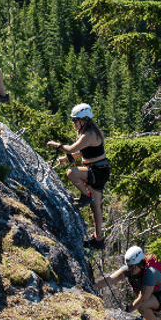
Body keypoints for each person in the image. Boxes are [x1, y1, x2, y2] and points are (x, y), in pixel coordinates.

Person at [47, 103, 109, 248]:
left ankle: (85, 196)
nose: (73, 123)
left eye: (75, 120)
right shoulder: (88, 132)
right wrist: (65, 159)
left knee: (71, 173)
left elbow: (71, 149)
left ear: (84, 120)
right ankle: (98, 239)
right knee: (96, 208)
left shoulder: (89, 134)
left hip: (97, 170)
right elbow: (81, 152)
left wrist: (56, 145)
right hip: (100, 170)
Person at [102, 245, 161, 320]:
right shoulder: (132, 268)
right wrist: (95, 286)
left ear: (140, 264)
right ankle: (152, 317)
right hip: (151, 293)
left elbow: (142, 299)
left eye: (132, 267)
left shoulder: (150, 273)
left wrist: (127, 311)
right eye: (128, 266)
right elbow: (111, 279)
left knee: (142, 305)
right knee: (141, 307)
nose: (130, 269)